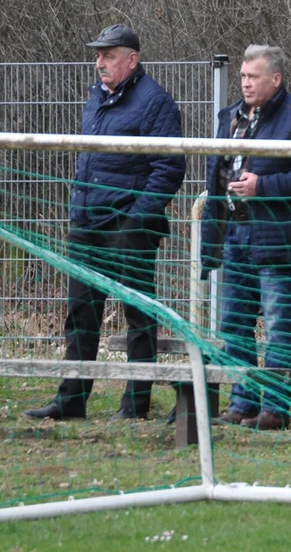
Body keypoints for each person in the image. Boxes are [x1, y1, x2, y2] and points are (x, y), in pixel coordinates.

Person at [24, 24, 185, 421]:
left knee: (138, 315)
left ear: (132, 60)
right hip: (87, 224)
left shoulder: (155, 102)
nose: (100, 63)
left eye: (108, 55)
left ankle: (135, 405)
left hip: (129, 227)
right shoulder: (96, 99)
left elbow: (169, 167)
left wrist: (137, 218)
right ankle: (71, 400)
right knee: (80, 314)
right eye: (97, 55)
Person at [201, 45, 291, 431]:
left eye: (253, 76)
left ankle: (275, 408)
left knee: (276, 324)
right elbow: (217, 175)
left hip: (277, 238)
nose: (245, 83)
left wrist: (264, 186)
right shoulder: (229, 117)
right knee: (235, 323)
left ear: (275, 79)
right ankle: (242, 402)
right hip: (233, 234)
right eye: (242, 76)